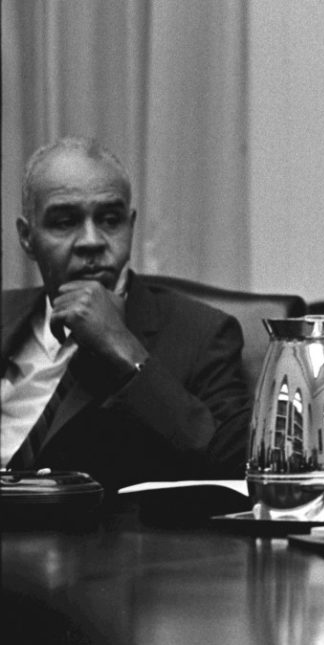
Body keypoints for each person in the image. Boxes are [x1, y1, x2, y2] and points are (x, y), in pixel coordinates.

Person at [1, 137, 250, 491]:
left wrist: (123, 350)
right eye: (64, 221)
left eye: (109, 219)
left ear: (130, 226)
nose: (91, 240)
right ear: (27, 237)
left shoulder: (203, 334)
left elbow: (233, 465)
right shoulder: (7, 317)